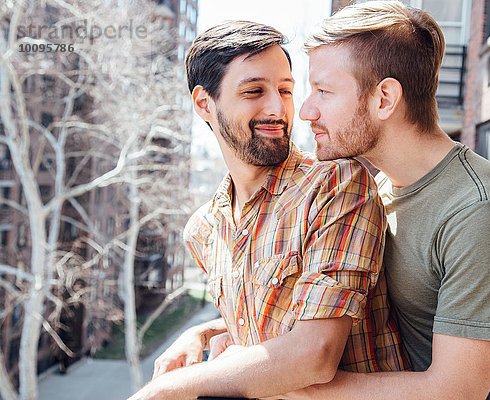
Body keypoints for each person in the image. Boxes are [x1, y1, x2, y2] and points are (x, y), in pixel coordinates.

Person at [129, 20, 407, 400]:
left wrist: (163, 390)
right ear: (204, 103)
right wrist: (203, 331)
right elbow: (263, 326)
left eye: (285, 90)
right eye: (254, 91)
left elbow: (315, 353)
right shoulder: (205, 229)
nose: (277, 108)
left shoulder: (334, 185)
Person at [292, 1, 490, 399]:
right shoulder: (377, 192)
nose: (305, 111)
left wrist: (292, 385)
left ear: (384, 99)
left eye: (324, 91)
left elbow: (453, 391)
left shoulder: (485, 214)